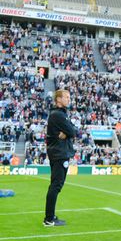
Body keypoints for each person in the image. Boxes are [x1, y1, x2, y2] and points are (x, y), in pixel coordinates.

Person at [44, 89, 77, 227]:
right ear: (58, 99)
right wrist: (69, 132)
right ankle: (49, 219)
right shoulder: (58, 115)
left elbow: (72, 130)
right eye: (67, 97)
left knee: (56, 185)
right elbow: (73, 131)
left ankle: (50, 216)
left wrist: (68, 132)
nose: (69, 99)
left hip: (59, 152)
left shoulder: (60, 114)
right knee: (56, 185)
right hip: (59, 153)